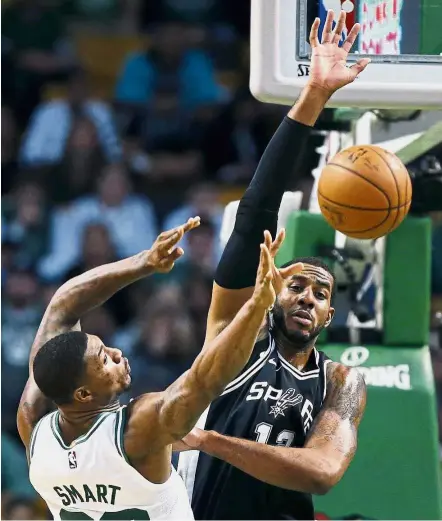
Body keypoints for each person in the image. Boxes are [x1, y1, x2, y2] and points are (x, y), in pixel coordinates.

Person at [176, 11, 370, 520]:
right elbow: (255, 212)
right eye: (296, 285)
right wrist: (314, 96)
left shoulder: (342, 382)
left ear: (329, 316)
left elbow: (322, 472)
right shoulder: (233, 342)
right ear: (271, 294)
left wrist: (211, 441)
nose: (307, 296)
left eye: (320, 293)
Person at [16, 216, 302, 520]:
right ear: (85, 393)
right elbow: (207, 379)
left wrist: (146, 261)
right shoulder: (137, 430)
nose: (116, 352)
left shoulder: (33, 427)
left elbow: (63, 307)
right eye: (104, 360)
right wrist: (258, 305)